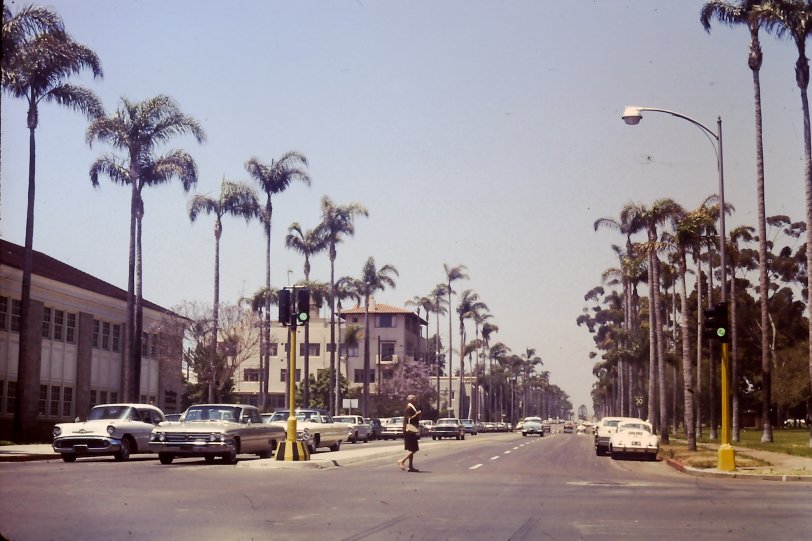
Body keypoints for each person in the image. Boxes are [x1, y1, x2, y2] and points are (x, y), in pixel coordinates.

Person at [398, 394, 421, 472]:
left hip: (412, 429)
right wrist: (416, 414)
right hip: (408, 430)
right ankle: (402, 460)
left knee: (411, 448)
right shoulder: (409, 408)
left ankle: (410, 466)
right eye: (415, 398)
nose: (416, 400)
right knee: (414, 448)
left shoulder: (412, 407)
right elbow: (409, 419)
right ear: (410, 400)